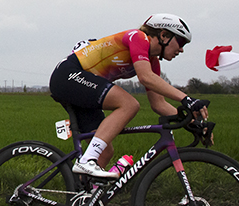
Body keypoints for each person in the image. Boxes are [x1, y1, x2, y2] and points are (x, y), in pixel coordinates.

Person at [49, 14, 209, 179]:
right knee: (129, 104)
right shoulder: (138, 37)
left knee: (104, 152)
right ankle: (86, 160)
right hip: (68, 75)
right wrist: (186, 99)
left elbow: (158, 104)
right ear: (164, 35)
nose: (181, 49)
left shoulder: (153, 62)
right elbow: (145, 77)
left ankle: (84, 198)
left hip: (84, 85)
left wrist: (193, 123)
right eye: (181, 42)